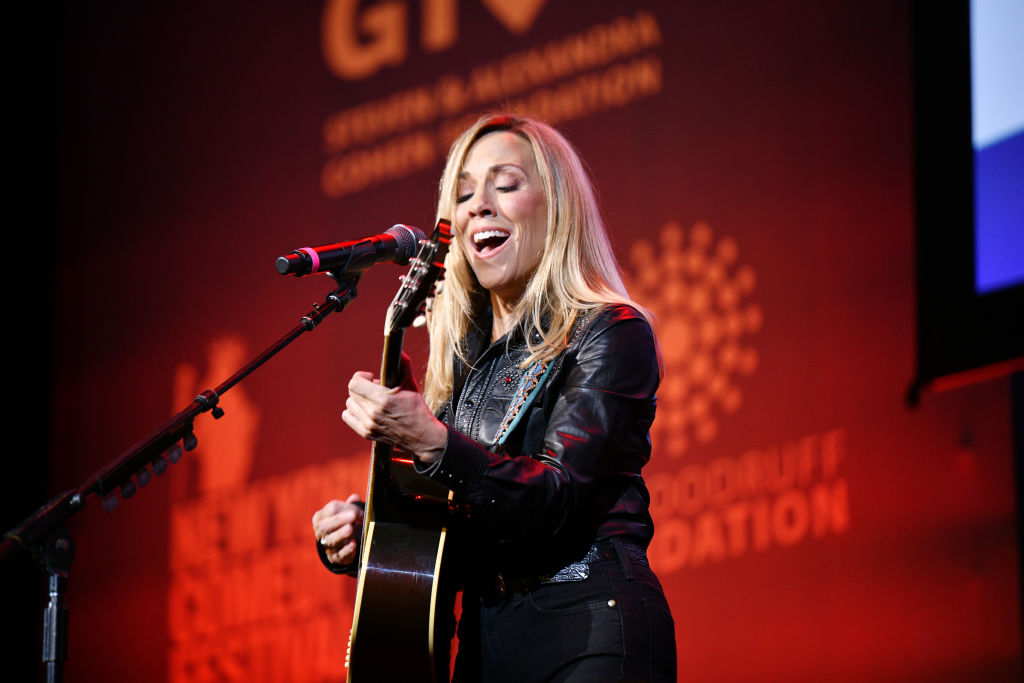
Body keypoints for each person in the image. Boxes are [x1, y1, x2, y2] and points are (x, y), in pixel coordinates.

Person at [312, 113, 676, 682]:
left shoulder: (610, 331)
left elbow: (558, 497)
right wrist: (375, 536)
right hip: (486, 648)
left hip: (587, 629)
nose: (479, 204)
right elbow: (466, 526)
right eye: (462, 194)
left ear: (556, 208)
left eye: (506, 185)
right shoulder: (461, 371)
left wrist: (435, 446)